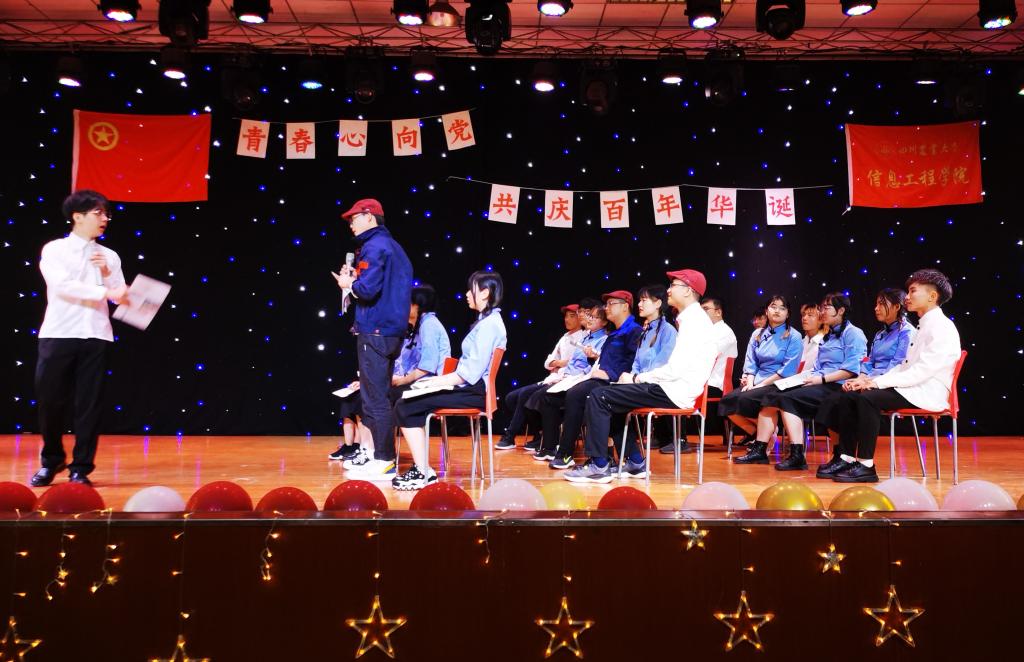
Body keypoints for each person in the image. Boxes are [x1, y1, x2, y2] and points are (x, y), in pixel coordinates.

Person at [565, 269, 716, 483]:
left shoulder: (693, 322)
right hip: (672, 386)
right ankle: (635, 461)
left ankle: (599, 465)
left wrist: (636, 379)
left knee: (599, 396)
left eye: (673, 285)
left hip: (674, 390)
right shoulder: (690, 320)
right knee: (610, 395)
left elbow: (674, 370)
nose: (669, 290)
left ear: (688, 291)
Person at [815, 271, 958, 483]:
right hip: (913, 385)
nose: (907, 296)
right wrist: (867, 380)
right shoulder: (924, 325)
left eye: (913, 291)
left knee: (868, 399)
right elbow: (904, 366)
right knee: (848, 397)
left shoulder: (941, 327)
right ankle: (845, 457)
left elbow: (922, 371)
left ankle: (866, 465)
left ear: (932, 296)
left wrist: (876, 383)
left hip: (927, 390)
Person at [31, 190, 129, 487]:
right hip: (59, 332)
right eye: (98, 213)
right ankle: (52, 460)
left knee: (89, 404)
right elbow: (62, 286)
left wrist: (107, 273)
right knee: (50, 400)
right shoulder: (55, 250)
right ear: (77, 216)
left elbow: (121, 294)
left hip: (97, 334)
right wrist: (105, 291)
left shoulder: (109, 255)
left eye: (106, 214)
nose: (105, 218)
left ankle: (81, 468)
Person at [391, 271, 507, 490]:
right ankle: (422, 468)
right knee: (407, 402)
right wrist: (434, 383)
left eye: (471, 289)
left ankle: (423, 472)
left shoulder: (490, 325)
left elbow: (469, 373)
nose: (467, 294)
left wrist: (435, 382)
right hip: (469, 387)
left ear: (484, 293)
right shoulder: (486, 321)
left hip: (473, 391)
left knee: (405, 405)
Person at [734, 292, 867, 470]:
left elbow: (851, 370)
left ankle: (805, 454)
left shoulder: (853, 333)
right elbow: (817, 367)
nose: (822, 312)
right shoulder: (828, 335)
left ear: (841, 311)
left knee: (786, 399)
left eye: (826, 308)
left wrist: (820, 379)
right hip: (819, 381)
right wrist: (801, 379)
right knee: (776, 395)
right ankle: (767, 449)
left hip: (836, 384)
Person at [332, 199, 413, 482]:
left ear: (369, 216)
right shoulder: (393, 247)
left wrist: (349, 284)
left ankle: (385, 460)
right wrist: (357, 278)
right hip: (389, 331)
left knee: (374, 398)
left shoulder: (375, 246)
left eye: (353, 218)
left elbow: (367, 290)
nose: (350, 224)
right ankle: (376, 455)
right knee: (376, 396)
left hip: (376, 330)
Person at [329, 285, 450, 464]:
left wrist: (399, 381)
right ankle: (365, 448)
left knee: (376, 397)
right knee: (366, 393)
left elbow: (427, 368)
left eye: (406, 303)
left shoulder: (429, 325)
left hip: (426, 385)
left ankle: (377, 453)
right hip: (415, 382)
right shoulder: (416, 326)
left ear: (418, 305)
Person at [538, 290, 642, 471]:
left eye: (611, 304)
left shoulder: (633, 330)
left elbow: (634, 362)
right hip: (603, 378)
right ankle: (631, 459)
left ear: (625, 306)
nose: (607, 308)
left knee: (583, 395)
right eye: (606, 304)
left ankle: (592, 459)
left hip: (618, 381)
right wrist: (595, 363)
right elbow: (609, 360)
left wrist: (609, 374)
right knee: (555, 395)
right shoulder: (617, 332)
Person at [494, 303, 584, 451]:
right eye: (566, 316)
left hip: (563, 381)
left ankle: (510, 436)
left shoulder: (583, 337)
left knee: (526, 395)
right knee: (511, 398)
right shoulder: (564, 337)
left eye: (572, 316)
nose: (567, 319)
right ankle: (539, 433)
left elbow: (575, 363)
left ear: (580, 318)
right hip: (551, 378)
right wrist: (558, 363)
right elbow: (548, 362)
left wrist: (558, 364)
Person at [720, 295, 803, 454]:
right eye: (773, 307)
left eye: (782, 308)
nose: (777, 311)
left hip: (778, 383)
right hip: (757, 381)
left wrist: (759, 385)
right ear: (766, 310)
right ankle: (762, 433)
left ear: (788, 313)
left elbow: (788, 370)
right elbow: (751, 362)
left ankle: (762, 439)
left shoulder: (794, 336)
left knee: (746, 399)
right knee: (727, 402)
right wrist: (750, 382)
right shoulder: (757, 333)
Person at [799, 303, 827, 371]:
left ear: (820, 320)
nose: (804, 318)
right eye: (803, 315)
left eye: (810, 315)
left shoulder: (825, 343)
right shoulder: (801, 342)